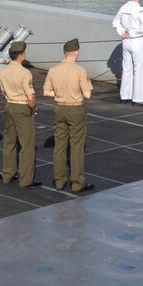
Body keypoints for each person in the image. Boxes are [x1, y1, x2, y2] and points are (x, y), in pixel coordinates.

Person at [44, 38, 94, 194]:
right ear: (76, 53)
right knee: (76, 147)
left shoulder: (53, 70)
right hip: (75, 109)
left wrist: (60, 94)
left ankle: (59, 181)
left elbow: (46, 92)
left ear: (64, 53)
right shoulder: (80, 70)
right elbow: (87, 95)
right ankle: (77, 182)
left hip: (60, 108)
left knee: (59, 146)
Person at [0, 41, 38, 187]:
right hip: (22, 108)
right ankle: (26, 179)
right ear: (21, 56)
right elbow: (31, 97)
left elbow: (3, 91)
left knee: (9, 141)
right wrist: (32, 108)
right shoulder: (25, 73)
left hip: (9, 105)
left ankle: (8, 174)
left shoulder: (3, 71)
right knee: (26, 144)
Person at [111, 0, 143, 105]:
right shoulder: (140, 10)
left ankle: (125, 96)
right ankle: (137, 98)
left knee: (127, 68)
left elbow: (115, 22)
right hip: (136, 41)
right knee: (138, 69)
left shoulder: (123, 7)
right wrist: (132, 33)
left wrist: (123, 32)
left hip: (126, 42)